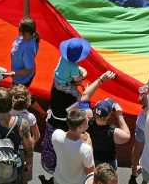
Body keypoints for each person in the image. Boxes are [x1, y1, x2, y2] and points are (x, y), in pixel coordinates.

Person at [41, 37, 114, 176]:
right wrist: (100, 80)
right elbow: (84, 98)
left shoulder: (56, 90)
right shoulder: (83, 146)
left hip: (56, 168)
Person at [51, 108, 94, 184]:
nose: (88, 122)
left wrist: (80, 138)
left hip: (58, 180)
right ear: (79, 128)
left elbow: (67, 135)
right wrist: (89, 144)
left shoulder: (56, 134)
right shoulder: (86, 149)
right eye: (87, 122)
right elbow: (90, 172)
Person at [87, 98, 131, 169]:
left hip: (92, 161)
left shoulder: (87, 124)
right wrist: (119, 116)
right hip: (108, 164)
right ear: (109, 115)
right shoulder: (112, 131)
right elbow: (127, 136)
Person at [10, 85, 39, 182]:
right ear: (27, 101)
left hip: (10, 147)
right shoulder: (30, 117)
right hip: (25, 149)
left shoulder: (7, 113)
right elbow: (37, 135)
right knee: (25, 171)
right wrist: (31, 145)